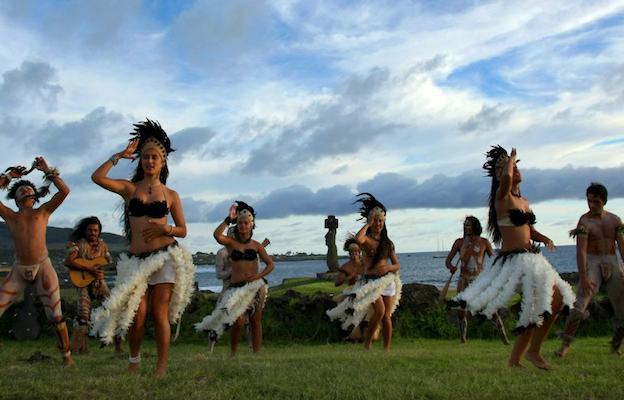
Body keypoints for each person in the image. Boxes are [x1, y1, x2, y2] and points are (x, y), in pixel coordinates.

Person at [449, 146, 574, 370]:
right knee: (546, 301)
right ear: (500, 174)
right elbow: (506, 179)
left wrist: (544, 238)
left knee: (553, 301)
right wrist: (511, 159)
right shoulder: (502, 197)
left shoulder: (523, 201)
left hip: (532, 258)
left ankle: (519, 358)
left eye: (516, 166)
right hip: (515, 262)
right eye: (509, 167)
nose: (514, 169)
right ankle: (531, 353)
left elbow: (529, 230)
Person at [90, 119, 195, 377]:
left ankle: (161, 366)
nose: (149, 161)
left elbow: (182, 229)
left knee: (159, 312)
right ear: (141, 161)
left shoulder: (171, 195)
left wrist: (165, 229)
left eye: (154, 157)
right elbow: (97, 177)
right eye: (146, 157)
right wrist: (119, 156)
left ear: (163, 162)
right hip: (137, 261)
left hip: (165, 258)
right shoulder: (129, 189)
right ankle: (134, 360)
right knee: (137, 313)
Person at [0, 158, 74, 365]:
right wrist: (9, 177)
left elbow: (64, 191)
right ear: (15, 198)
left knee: (55, 315)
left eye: (28, 189)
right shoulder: (10, 216)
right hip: (19, 267)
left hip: (42, 265)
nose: (25, 190)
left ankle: (67, 356)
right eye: (20, 189)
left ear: (34, 198)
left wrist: (48, 170)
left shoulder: (43, 211)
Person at [195, 201, 274, 357]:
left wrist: (258, 276)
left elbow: (270, 265)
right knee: (238, 321)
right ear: (236, 225)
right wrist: (228, 219)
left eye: (246, 223)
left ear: (252, 225)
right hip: (235, 286)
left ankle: (257, 353)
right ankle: (233, 353)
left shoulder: (257, 246)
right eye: (240, 223)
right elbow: (217, 235)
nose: (243, 226)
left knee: (255, 320)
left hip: (255, 286)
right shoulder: (231, 243)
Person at [556, 182, 624, 356]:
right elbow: (581, 251)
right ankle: (565, 345)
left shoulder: (615, 220)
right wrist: (584, 278)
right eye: (589, 201)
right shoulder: (584, 221)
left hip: (612, 261)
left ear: (604, 201)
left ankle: (615, 346)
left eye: (596, 201)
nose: (592, 205)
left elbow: (622, 248)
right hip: (593, 262)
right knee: (580, 304)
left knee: (622, 308)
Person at [327, 193, 402, 352]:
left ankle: (387, 348)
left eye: (380, 221)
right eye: (375, 220)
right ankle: (367, 344)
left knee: (386, 316)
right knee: (379, 312)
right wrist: (368, 224)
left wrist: (388, 268)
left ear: (384, 222)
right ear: (370, 221)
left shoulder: (388, 243)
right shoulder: (367, 240)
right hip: (370, 283)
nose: (378, 224)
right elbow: (358, 238)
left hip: (387, 281)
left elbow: (396, 265)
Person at [445, 216, 509, 345]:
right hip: (463, 278)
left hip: (479, 280)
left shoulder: (484, 242)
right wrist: (451, 267)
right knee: (461, 311)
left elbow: (493, 260)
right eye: (465, 225)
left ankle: (504, 338)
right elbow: (448, 260)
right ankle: (463, 339)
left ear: (475, 226)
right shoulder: (459, 242)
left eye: (468, 225)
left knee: (491, 309)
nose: (465, 227)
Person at [64, 216, 123, 355]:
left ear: (99, 231)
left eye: (95, 230)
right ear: (85, 231)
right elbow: (68, 262)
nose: (93, 233)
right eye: (90, 230)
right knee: (83, 316)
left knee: (115, 309)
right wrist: (88, 269)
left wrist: (105, 268)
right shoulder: (79, 245)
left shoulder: (103, 246)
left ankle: (118, 347)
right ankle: (80, 348)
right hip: (83, 284)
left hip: (99, 283)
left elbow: (108, 262)